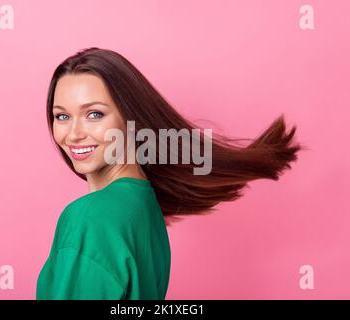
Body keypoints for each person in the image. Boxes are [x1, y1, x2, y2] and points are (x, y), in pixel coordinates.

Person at [36, 47, 305, 300]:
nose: (73, 134)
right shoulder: (142, 204)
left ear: (131, 119)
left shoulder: (91, 217)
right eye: (61, 117)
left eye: (94, 114)